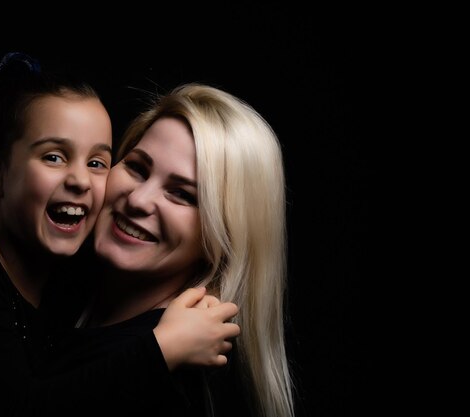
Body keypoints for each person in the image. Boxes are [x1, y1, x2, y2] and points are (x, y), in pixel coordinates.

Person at [0, 54, 239, 416]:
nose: (78, 180)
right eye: (54, 157)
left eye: (96, 163)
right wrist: (164, 348)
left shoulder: (67, 281)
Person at [50, 83, 294, 416]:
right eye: (137, 168)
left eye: (182, 194)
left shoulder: (185, 378)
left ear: (223, 238)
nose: (137, 200)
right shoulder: (59, 287)